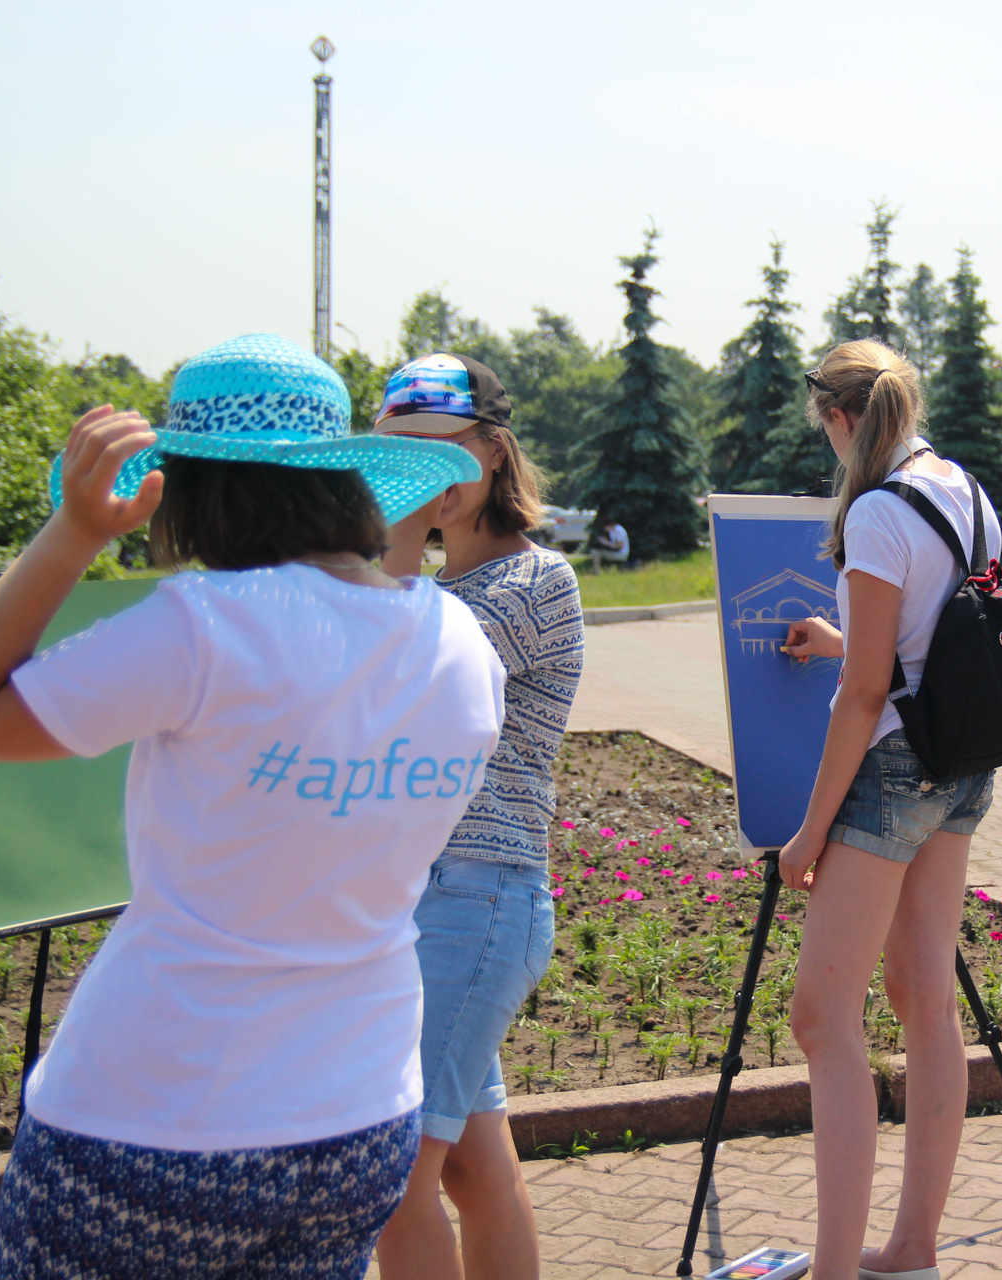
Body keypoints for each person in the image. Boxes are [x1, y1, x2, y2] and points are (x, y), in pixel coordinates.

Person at [0, 334, 501, 1279]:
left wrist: (75, 532)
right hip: (360, 1118)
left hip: (153, 1117)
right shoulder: (461, 642)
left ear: (194, 491)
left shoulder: (203, 626)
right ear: (343, 482)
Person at [773, 340, 1000, 1280]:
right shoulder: (965, 490)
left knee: (822, 1017)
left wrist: (809, 831)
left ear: (838, 418)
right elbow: (928, 637)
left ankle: (833, 1269)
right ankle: (911, 1251)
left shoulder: (874, 511)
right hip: (962, 762)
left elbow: (866, 695)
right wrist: (843, 641)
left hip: (894, 770)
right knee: (924, 1001)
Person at [370, 353, 584, 1280]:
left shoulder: (533, 583)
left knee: (389, 1179)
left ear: (495, 452)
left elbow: (392, 672)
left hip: (476, 900)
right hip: (419, 904)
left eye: (441, 448)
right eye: (399, 453)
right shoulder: (418, 589)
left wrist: (395, 531)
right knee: (471, 1169)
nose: (422, 472)